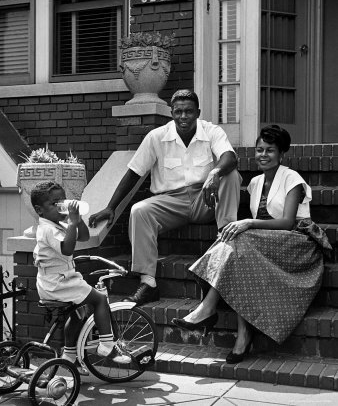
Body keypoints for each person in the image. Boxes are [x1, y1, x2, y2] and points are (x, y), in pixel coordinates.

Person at [172, 125, 332, 363]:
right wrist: (243, 227)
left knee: (241, 240)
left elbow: (288, 222)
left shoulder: (292, 179)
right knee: (239, 250)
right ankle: (243, 334)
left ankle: (208, 309)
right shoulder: (256, 182)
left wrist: (247, 222)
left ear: (281, 155)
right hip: (266, 244)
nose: (263, 155)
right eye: (259, 150)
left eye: (270, 150)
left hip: (298, 245)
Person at [89, 89, 242, 306]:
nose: (183, 117)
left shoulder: (211, 131)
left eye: (188, 111)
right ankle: (148, 283)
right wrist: (111, 207)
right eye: (178, 111)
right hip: (171, 202)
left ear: (198, 112)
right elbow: (134, 172)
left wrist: (215, 173)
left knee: (231, 174)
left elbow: (229, 157)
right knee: (139, 210)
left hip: (205, 199)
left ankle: (225, 240)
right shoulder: (156, 137)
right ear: (171, 113)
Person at [31, 181, 131, 365]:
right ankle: (107, 344)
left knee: (78, 312)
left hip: (57, 281)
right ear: (39, 210)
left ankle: (69, 354)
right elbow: (67, 249)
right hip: (59, 283)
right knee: (99, 299)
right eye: (54, 203)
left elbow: (84, 237)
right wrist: (72, 222)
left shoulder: (56, 223)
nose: (60, 205)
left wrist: (78, 220)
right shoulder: (48, 229)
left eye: (62, 200)